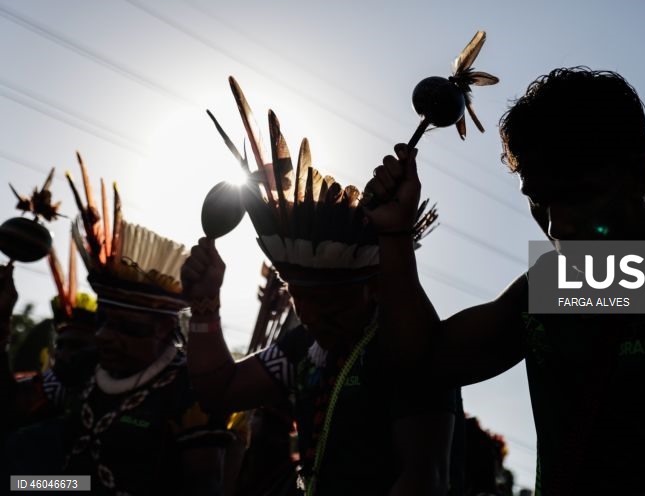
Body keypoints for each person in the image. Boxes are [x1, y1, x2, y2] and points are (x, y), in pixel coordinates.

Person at [365, 67, 645, 495]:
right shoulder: (560, 285)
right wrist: (395, 234)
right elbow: (425, 362)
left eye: (578, 193)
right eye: (539, 200)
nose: (558, 225)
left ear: (639, 175)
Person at [182, 85, 458, 496]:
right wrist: (204, 306)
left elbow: (422, 478)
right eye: (300, 299)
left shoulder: (404, 344)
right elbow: (219, 391)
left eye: (332, 307)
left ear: (375, 290)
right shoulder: (305, 351)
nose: (312, 317)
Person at [52, 155, 231, 494]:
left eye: (128, 328)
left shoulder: (189, 390)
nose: (105, 336)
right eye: (103, 322)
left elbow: (204, 486)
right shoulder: (82, 369)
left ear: (164, 329)